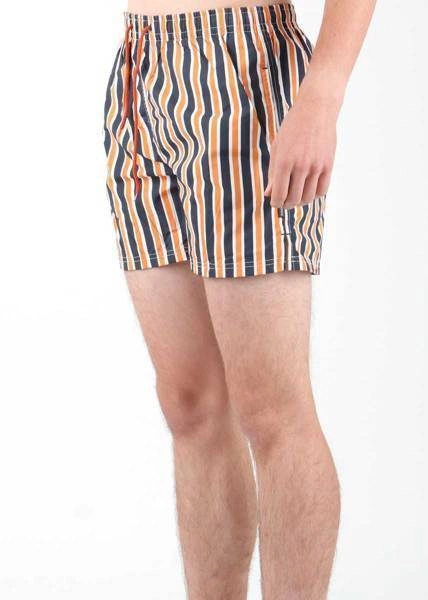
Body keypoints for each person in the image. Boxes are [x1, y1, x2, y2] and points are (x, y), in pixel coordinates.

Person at [103, 0, 375, 596]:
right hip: (139, 74)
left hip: (243, 63)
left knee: (271, 410)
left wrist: (322, 93)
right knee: (189, 404)